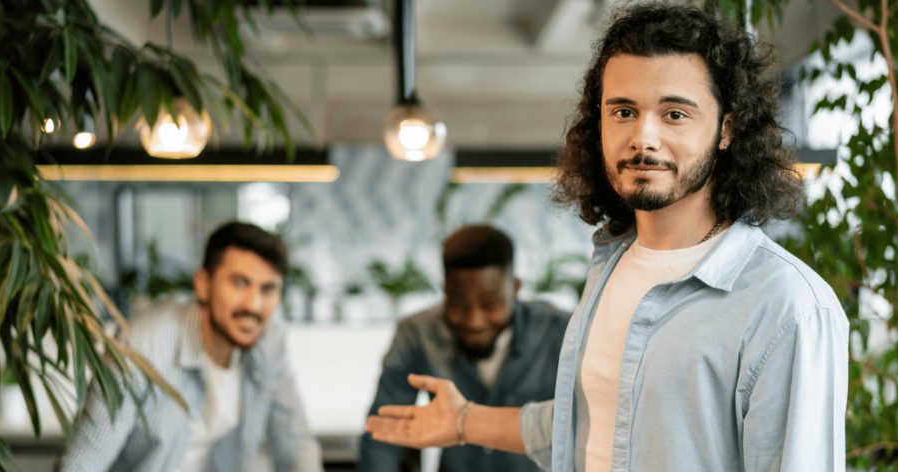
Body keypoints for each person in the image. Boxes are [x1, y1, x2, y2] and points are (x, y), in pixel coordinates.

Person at [364, 4, 849, 472]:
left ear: (726, 129)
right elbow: (593, 424)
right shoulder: (613, 264)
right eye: (623, 112)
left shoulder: (789, 307)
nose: (644, 138)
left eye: (675, 114)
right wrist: (465, 421)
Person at [60, 222, 321, 472]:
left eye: (268, 289)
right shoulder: (142, 346)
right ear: (203, 284)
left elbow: (296, 443)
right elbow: (83, 463)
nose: (254, 305)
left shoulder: (269, 340)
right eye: (240, 283)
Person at [358, 225, 570, 472]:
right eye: (458, 303)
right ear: (445, 290)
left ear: (515, 288)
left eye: (489, 304)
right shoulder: (416, 334)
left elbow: (584, 431)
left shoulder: (561, 332)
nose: (474, 321)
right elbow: (384, 436)